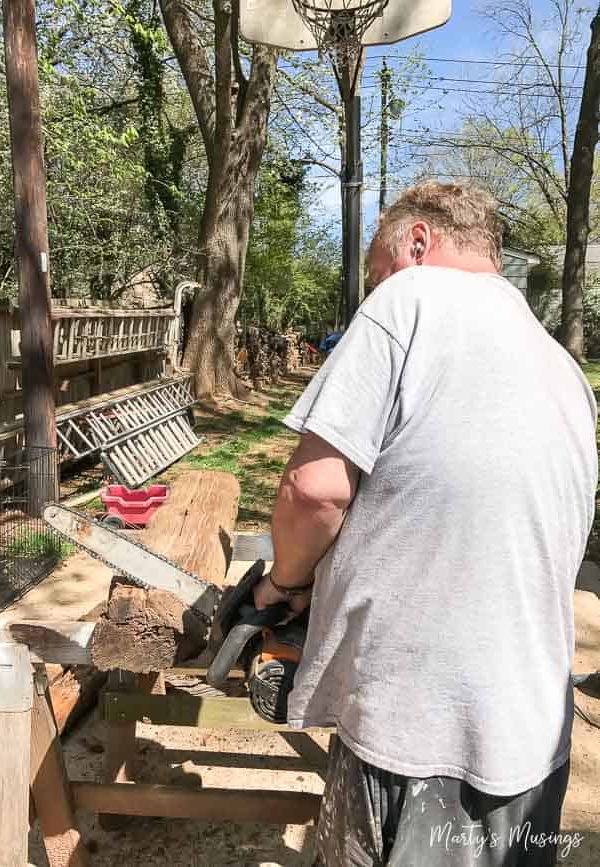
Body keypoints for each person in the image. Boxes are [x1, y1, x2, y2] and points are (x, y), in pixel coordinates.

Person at [253, 182, 598, 866]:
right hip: (534, 738)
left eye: (378, 269)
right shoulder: (562, 365)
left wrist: (285, 583)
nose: (375, 287)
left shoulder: (408, 301)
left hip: (416, 730)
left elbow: (314, 491)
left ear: (418, 243)